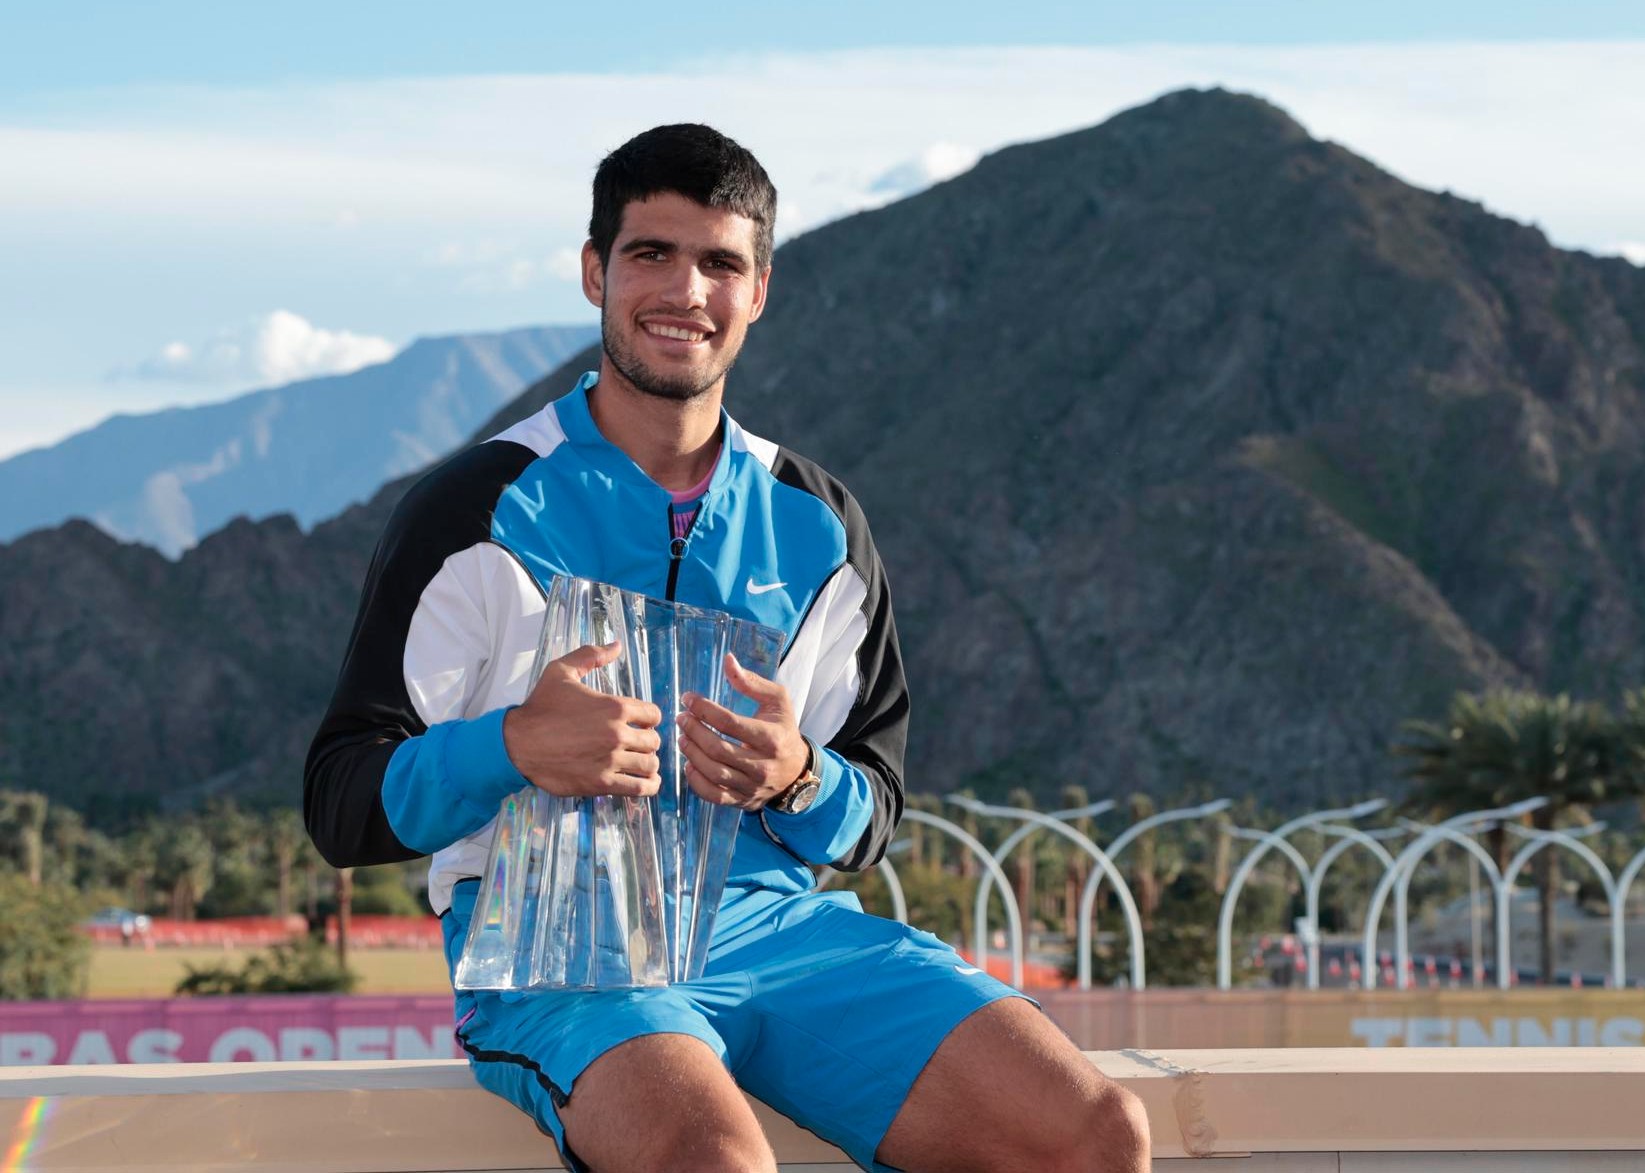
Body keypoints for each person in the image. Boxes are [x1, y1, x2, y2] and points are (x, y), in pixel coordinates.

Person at [304, 124, 1149, 1173]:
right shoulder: (476, 506)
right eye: (650, 253)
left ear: (758, 291)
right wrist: (513, 748)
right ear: (593, 272)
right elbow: (341, 799)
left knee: (1092, 1133)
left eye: (720, 263)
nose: (684, 291)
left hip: (778, 936)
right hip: (560, 952)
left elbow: (871, 812)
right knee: (712, 1159)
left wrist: (796, 778)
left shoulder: (819, 524)